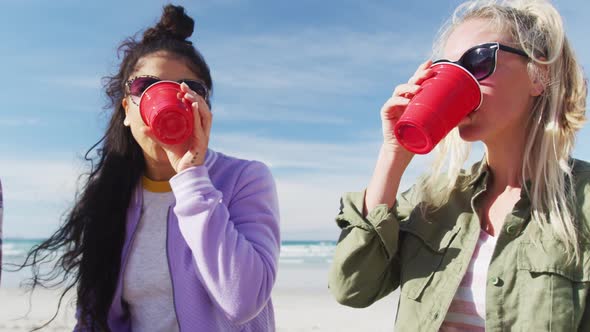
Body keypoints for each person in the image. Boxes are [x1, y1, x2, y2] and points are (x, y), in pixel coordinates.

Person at [328, 0, 589, 331]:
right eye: (445, 70)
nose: (457, 80)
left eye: (478, 61)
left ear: (539, 75)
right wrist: (393, 153)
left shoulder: (582, 202)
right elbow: (352, 287)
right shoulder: (433, 202)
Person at [21, 5, 280, 332]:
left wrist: (191, 178)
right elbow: (93, 316)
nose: (168, 101)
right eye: (146, 87)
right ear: (127, 109)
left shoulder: (245, 179)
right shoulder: (110, 195)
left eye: (189, 89)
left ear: (204, 109)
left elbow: (242, 299)